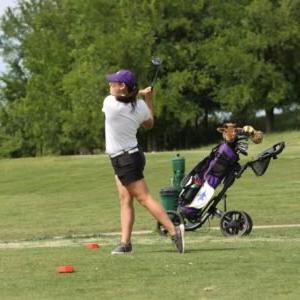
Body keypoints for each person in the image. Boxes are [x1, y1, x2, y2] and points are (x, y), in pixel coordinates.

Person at [102, 69, 184, 254]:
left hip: (125, 160)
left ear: (122, 86)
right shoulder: (140, 107)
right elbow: (149, 124)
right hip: (131, 156)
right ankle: (125, 243)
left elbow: (121, 97)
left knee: (144, 198)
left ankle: (174, 231)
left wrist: (140, 93)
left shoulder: (110, 104)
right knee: (125, 199)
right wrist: (148, 98)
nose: (110, 85)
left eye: (113, 82)